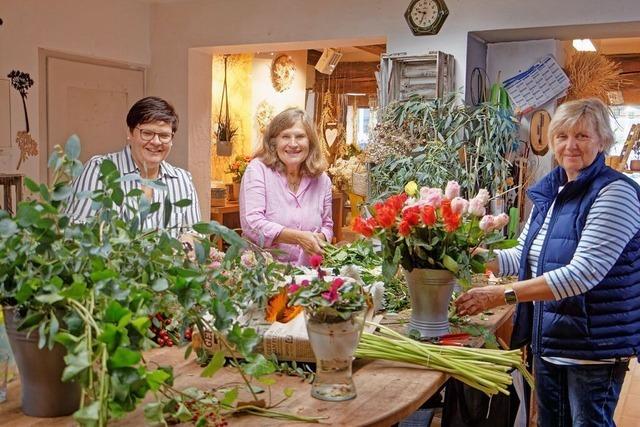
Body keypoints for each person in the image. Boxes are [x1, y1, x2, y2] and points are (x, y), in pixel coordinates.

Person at [455, 98, 640, 427]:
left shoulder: (615, 193)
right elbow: (523, 256)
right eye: (562, 136)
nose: (570, 145)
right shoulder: (554, 192)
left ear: (602, 141)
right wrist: (476, 258)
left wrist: (498, 295)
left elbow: (581, 275)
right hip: (551, 342)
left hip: (592, 349)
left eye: (582, 136)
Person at [66, 96, 201, 235]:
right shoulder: (100, 170)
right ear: (130, 133)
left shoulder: (183, 180)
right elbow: (73, 230)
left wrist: (188, 244)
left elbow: (195, 234)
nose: (156, 142)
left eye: (164, 135)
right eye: (147, 133)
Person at [239, 107, 333, 266]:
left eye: (300, 136)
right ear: (274, 142)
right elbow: (252, 224)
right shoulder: (257, 169)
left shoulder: (322, 180)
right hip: (263, 274)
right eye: (286, 136)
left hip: (307, 274)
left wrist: (319, 239)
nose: (293, 144)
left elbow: (327, 225)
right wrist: (300, 238)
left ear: (310, 141)